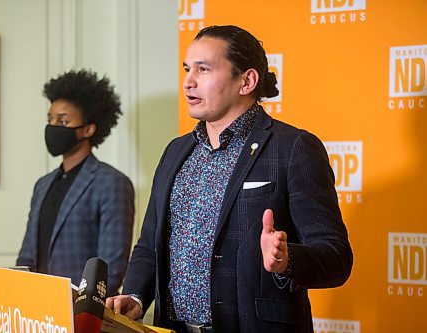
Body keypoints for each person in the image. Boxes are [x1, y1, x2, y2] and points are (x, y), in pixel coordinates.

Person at [106, 25, 353, 332]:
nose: (188, 82)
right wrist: (135, 295)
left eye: (204, 69)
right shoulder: (176, 151)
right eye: (186, 69)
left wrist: (287, 260)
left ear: (246, 81)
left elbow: (336, 258)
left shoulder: (293, 148)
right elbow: (149, 246)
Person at [16, 69, 134, 296]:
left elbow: (110, 268)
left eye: (62, 121)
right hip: (38, 312)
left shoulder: (112, 183)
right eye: (50, 120)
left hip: (82, 315)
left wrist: (78, 308)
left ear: (88, 129)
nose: (52, 127)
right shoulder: (43, 185)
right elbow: (27, 256)